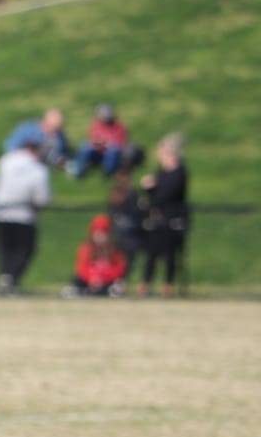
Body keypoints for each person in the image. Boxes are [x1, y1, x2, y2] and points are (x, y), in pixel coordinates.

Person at [0, 128, 52, 295]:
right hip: (24, 215)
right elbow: (42, 199)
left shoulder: (6, 160)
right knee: (25, 249)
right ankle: (11, 279)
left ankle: (6, 277)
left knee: (5, 249)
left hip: (1, 212)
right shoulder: (39, 169)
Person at [137, 133, 189, 297]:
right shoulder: (161, 172)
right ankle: (146, 283)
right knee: (151, 254)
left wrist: (152, 188)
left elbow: (166, 194)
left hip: (172, 220)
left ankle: (168, 285)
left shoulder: (179, 173)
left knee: (170, 255)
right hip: (156, 219)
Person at [63, 214, 130, 297]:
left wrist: (103, 278)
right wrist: (93, 278)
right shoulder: (86, 249)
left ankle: (106, 292)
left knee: (119, 284)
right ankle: (81, 291)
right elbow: (81, 269)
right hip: (90, 281)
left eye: (103, 233)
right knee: (77, 280)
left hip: (107, 281)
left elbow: (119, 270)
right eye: (97, 233)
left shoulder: (115, 250)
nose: (100, 236)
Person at [71, 103, 129, 179]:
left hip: (111, 154)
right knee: (84, 147)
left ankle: (107, 172)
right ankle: (79, 171)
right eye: (103, 116)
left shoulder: (119, 126)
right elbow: (92, 139)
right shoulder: (96, 124)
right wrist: (97, 143)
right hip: (97, 152)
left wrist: (106, 143)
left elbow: (120, 144)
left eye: (106, 116)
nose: (105, 118)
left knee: (113, 150)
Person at [4, 108, 69, 168]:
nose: (55, 134)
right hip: (25, 162)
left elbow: (62, 152)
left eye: (57, 129)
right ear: (44, 123)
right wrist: (26, 153)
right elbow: (10, 146)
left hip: (44, 164)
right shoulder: (27, 130)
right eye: (53, 128)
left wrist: (61, 160)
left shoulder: (59, 136)